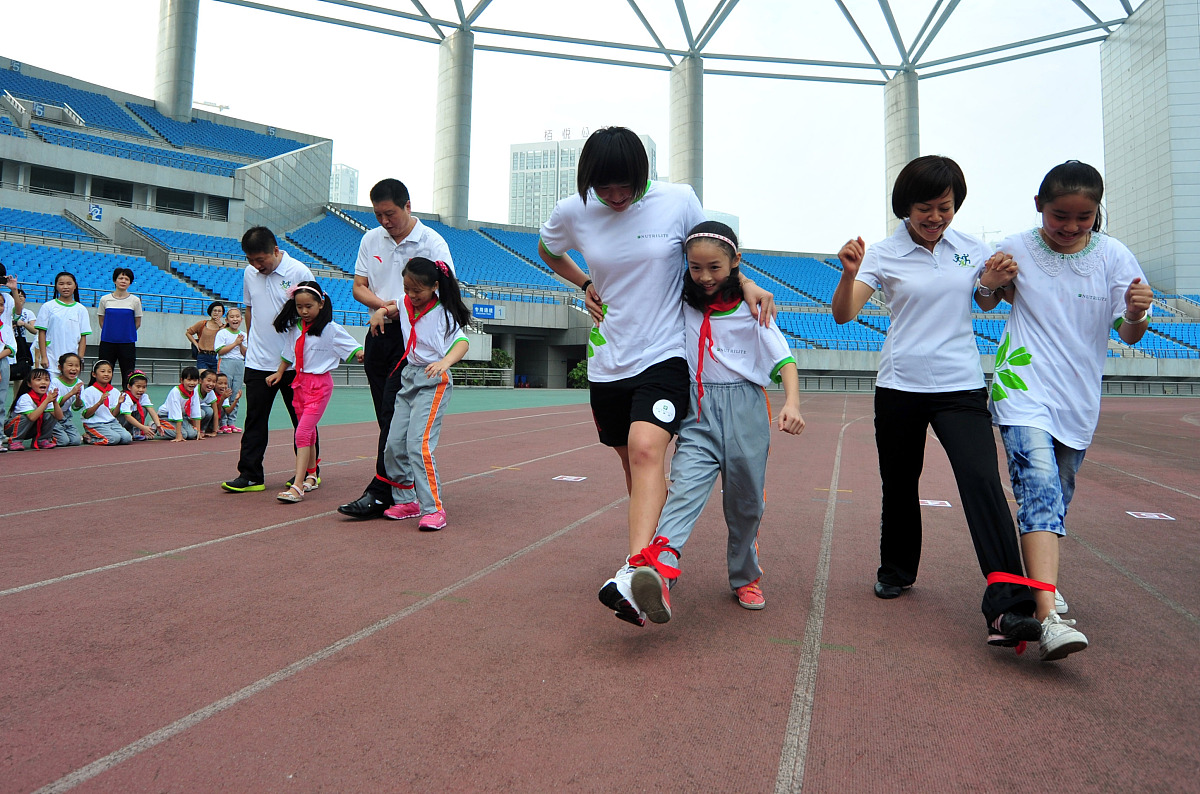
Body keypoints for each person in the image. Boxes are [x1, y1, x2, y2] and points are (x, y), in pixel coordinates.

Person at [536, 126, 776, 624]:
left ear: (643, 175)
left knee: (647, 450)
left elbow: (712, 249)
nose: (616, 197)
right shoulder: (573, 211)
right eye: (605, 188)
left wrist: (746, 283)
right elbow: (548, 249)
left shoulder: (677, 200)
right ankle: (653, 566)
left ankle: (637, 570)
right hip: (608, 358)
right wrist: (584, 282)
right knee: (634, 466)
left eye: (625, 186)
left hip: (665, 352)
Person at [830, 154, 1040, 647]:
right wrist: (849, 273)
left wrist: (990, 283)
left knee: (982, 480)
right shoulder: (883, 253)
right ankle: (896, 570)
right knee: (900, 483)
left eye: (945, 207)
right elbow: (843, 314)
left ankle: (1009, 605)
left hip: (960, 386)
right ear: (905, 206)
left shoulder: (971, 248)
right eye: (925, 208)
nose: (935, 218)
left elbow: (986, 299)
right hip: (899, 386)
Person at [990, 161, 1154, 661]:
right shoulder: (1017, 247)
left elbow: (1129, 334)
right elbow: (985, 299)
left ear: (1097, 212)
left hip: (1078, 397)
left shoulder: (1114, 256)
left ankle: (1041, 581)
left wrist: (1136, 312)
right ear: (1039, 205)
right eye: (1060, 215)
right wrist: (990, 283)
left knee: (1055, 495)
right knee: (1038, 487)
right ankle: (1048, 617)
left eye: (1084, 217)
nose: (1071, 226)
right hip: (1022, 388)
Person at [629, 222, 806, 626]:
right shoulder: (683, 302)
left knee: (746, 504)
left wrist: (792, 403)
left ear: (735, 263)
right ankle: (660, 572)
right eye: (695, 268)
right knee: (683, 490)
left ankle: (745, 577)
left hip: (745, 408)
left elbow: (784, 360)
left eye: (715, 267)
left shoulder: (752, 308)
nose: (705, 277)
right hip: (698, 410)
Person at [338, 178, 454, 520]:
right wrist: (382, 308)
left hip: (412, 337)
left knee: (394, 416)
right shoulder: (370, 239)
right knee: (386, 417)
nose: (384, 221)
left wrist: (396, 309)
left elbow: (445, 291)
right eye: (378, 215)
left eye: (390, 213)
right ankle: (403, 489)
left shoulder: (432, 242)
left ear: (408, 206)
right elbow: (358, 287)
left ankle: (383, 491)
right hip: (381, 332)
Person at [372, 258, 469, 529]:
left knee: (418, 445)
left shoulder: (443, 313)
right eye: (407, 288)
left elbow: (462, 342)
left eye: (418, 291)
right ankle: (407, 500)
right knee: (393, 444)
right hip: (408, 378)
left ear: (434, 286)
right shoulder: (406, 303)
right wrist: (382, 311)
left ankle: (433, 508)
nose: (412, 295)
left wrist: (444, 362)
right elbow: (395, 305)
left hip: (433, 380)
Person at [221, 227, 317, 492]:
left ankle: (310, 472)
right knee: (254, 419)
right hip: (258, 362)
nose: (256, 265)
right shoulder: (249, 273)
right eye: (251, 260)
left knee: (302, 420)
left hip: (294, 364)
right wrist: (252, 342)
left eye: (260, 259)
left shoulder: (299, 272)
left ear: (275, 250)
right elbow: (249, 309)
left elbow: (315, 313)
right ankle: (251, 475)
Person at [268, 281, 364, 503]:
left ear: (321, 304)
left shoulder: (331, 329)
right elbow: (288, 353)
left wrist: (361, 354)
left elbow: (354, 348)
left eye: (308, 306)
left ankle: (297, 486)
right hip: (299, 384)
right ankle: (311, 476)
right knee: (308, 433)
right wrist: (279, 373)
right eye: (299, 306)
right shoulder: (296, 328)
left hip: (319, 386)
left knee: (301, 433)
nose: (303, 311)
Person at [35, 271, 90, 378]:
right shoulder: (47, 307)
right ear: (56, 286)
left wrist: (80, 359)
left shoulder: (81, 309)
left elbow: (83, 337)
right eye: (61, 284)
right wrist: (44, 356)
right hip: (51, 358)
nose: (65, 287)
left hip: (72, 359)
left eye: (69, 284)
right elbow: (42, 333)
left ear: (75, 286)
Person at [97, 267, 142, 388]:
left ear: (130, 282)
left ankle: (127, 396)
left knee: (128, 373)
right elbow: (101, 320)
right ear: (114, 280)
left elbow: (137, 322)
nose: (123, 281)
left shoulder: (135, 300)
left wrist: (125, 333)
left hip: (127, 343)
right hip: (107, 342)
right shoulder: (105, 299)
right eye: (120, 278)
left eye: (126, 279)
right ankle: (103, 396)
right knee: (104, 372)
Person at [6, 367, 63, 450]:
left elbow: (59, 417)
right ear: (29, 384)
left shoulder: (47, 397)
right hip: (12, 428)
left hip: (31, 429)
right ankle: (14, 441)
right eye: (38, 380)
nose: (43, 382)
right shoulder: (25, 397)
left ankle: (42, 440)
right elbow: (32, 417)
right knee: (25, 417)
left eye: (46, 380)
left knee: (50, 415)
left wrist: (55, 402)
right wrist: (46, 401)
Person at [81, 360, 132, 445]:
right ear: (94, 374)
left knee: (127, 438)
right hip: (94, 423)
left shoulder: (114, 391)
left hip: (111, 422)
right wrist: (99, 403)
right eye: (102, 371)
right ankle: (89, 439)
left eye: (109, 372)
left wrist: (119, 403)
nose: (106, 374)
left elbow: (113, 414)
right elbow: (86, 415)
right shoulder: (88, 391)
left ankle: (102, 435)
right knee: (114, 439)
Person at [214, 306, 246, 431]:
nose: (235, 319)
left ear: (241, 319)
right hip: (226, 362)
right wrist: (235, 343)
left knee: (236, 392)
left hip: (239, 363)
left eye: (237, 316)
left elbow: (245, 353)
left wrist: (241, 343)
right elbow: (220, 351)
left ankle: (232, 422)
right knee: (224, 391)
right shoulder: (222, 333)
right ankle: (223, 422)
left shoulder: (243, 335)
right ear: (227, 320)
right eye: (232, 317)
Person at [118, 370, 166, 440]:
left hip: (132, 422)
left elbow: (151, 410)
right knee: (126, 415)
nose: (141, 390)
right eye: (138, 387)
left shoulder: (144, 396)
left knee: (144, 409)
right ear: (129, 387)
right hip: (121, 422)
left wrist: (158, 425)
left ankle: (136, 433)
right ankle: (127, 432)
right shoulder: (125, 397)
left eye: (144, 387)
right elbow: (127, 416)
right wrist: (143, 428)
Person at [159, 366, 202, 442]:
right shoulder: (176, 391)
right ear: (182, 380)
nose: (192, 383)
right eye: (189, 380)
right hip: (166, 416)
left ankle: (178, 429)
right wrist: (178, 434)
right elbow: (176, 413)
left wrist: (198, 431)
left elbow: (196, 411)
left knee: (192, 434)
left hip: (182, 416)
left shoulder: (194, 392)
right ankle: (157, 425)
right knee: (183, 435)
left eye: (195, 380)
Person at [51, 352, 84, 447]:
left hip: (66, 415)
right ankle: (45, 436)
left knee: (76, 441)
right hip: (52, 416)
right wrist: (71, 393)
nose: (74, 369)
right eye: (70, 365)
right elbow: (56, 404)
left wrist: (78, 398)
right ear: (60, 367)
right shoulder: (54, 382)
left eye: (77, 366)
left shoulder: (79, 383)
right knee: (63, 441)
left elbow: (76, 407)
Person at [0, 266, 16, 448]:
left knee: (0, 400)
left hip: (2, 361)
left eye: (1, 305)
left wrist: (13, 290)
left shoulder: (4, 325)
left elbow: (10, 347)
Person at [186, 302, 226, 372]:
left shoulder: (225, 327)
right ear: (211, 311)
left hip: (217, 356)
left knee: (215, 377)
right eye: (215, 310)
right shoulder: (202, 324)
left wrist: (220, 326)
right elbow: (188, 333)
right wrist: (196, 344)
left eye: (219, 311)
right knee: (203, 376)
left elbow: (226, 338)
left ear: (222, 313)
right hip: (203, 355)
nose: (216, 313)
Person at [11, 287, 36, 388]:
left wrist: (24, 324)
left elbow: (35, 330)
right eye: (17, 296)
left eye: (21, 296)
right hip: (7, 342)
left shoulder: (28, 313)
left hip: (20, 343)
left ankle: (17, 396)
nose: (19, 298)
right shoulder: (6, 310)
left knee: (19, 372)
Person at [197, 369, 220, 437]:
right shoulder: (195, 390)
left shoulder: (211, 393)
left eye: (214, 382)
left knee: (209, 411)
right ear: (200, 381)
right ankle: (196, 430)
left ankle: (202, 429)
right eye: (209, 380)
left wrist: (214, 432)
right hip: (188, 413)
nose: (211, 384)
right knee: (201, 413)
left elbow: (215, 413)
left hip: (197, 412)